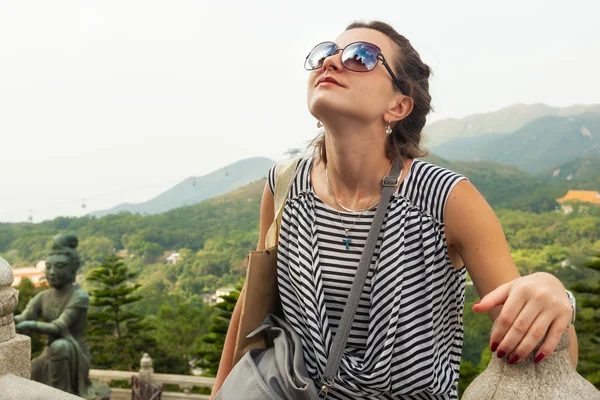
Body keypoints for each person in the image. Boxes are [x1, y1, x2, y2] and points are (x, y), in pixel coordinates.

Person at [211, 20, 578, 399]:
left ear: (398, 105)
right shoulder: (284, 184)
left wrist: (552, 295)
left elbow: (542, 351)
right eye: (325, 53)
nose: (332, 63)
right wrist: (220, 392)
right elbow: (252, 299)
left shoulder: (448, 199)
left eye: (361, 57)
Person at [14, 234, 92, 398]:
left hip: (73, 351)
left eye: (59, 266)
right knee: (32, 373)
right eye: (48, 267)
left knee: (61, 346)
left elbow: (59, 327)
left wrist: (30, 326)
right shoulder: (43, 296)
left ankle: (62, 395)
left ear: (72, 269)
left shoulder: (79, 296)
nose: (52, 272)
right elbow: (24, 317)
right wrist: (8, 321)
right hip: (50, 350)